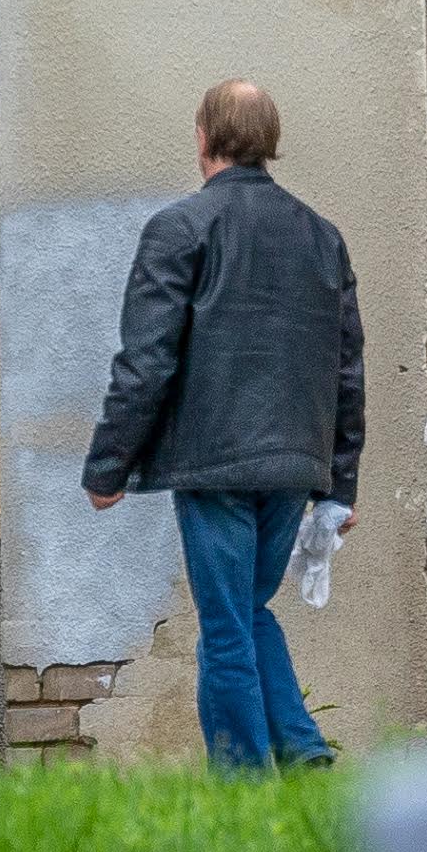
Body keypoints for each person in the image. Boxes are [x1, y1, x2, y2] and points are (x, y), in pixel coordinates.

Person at [82, 79, 364, 773]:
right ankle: (299, 748)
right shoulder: (322, 238)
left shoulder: (178, 228)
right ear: (267, 142)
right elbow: (345, 369)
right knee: (243, 611)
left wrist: (106, 467)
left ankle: (242, 784)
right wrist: (338, 487)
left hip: (213, 467)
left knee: (225, 629)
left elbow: (144, 360)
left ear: (202, 139)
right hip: (294, 466)